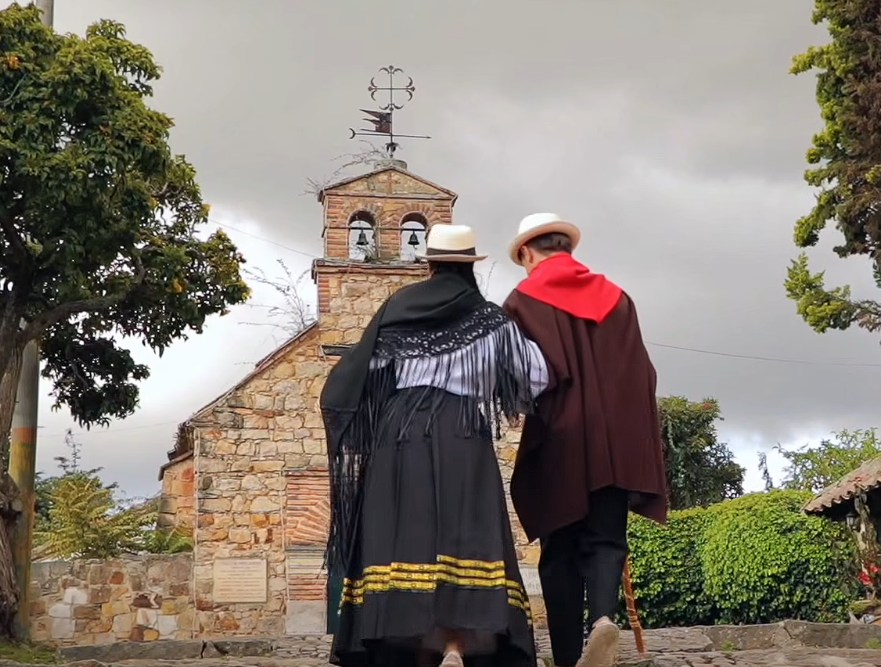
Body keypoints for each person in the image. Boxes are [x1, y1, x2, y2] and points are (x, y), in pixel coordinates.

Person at [320, 224, 551, 667]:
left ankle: (413, 649)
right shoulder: (489, 319)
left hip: (399, 433)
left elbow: (359, 375)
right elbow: (535, 377)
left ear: (429, 263)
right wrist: (490, 382)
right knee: (465, 535)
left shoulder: (398, 309)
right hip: (461, 430)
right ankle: (456, 644)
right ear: (470, 266)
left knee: (406, 538)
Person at [501, 213, 668, 667]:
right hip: (616, 443)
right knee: (607, 539)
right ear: (566, 249)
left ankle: (567, 654)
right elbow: (643, 373)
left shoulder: (520, 301)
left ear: (528, 253)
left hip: (560, 440)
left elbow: (519, 375)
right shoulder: (619, 299)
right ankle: (603, 620)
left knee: (559, 549)